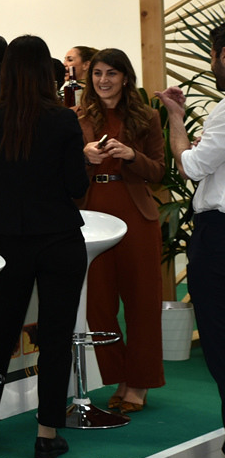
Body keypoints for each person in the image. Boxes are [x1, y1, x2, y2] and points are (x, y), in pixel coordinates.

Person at [0, 35, 88, 458]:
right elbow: (77, 186)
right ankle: (46, 431)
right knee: (55, 335)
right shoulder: (63, 119)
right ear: (44, 72)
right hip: (59, 237)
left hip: (9, 239)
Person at [76, 48, 165, 412]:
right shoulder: (77, 118)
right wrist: (84, 158)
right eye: (97, 73)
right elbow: (61, 172)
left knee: (142, 302)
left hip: (136, 216)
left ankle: (140, 383)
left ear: (125, 77)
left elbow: (158, 171)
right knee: (98, 304)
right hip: (92, 218)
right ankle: (120, 376)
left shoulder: (147, 116)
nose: (103, 80)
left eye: (111, 73)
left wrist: (131, 156)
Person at [159, 25, 225, 458]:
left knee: (222, 352)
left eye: (214, 55)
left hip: (219, 239)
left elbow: (192, 166)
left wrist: (176, 120)